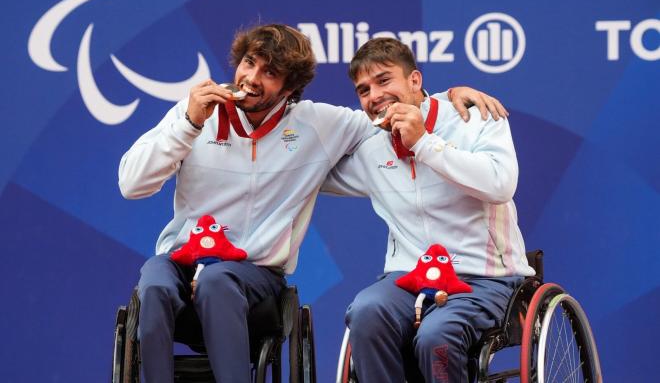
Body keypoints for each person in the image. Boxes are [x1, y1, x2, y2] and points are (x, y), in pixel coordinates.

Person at [118, 23, 505, 382]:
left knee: (219, 281)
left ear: (289, 89)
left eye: (269, 73)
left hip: (252, 272)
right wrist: (188, 123)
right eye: (249, 64)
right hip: (181, 259)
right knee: (152, 280)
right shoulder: (194, 114)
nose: (251, 79)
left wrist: (448, 96)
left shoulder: (318, 125)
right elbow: (131, 185)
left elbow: (392, 111)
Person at [321, 37, 534, 382]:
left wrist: (423, 143)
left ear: (415, 80)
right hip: (407, 278)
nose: (374, 95)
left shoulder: (476, 116)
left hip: (484, 277)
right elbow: (299, 171)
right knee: (365, 312)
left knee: (437, 336)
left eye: (384, 80)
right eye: (363, 90)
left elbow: (500, 184)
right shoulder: (371, 148)